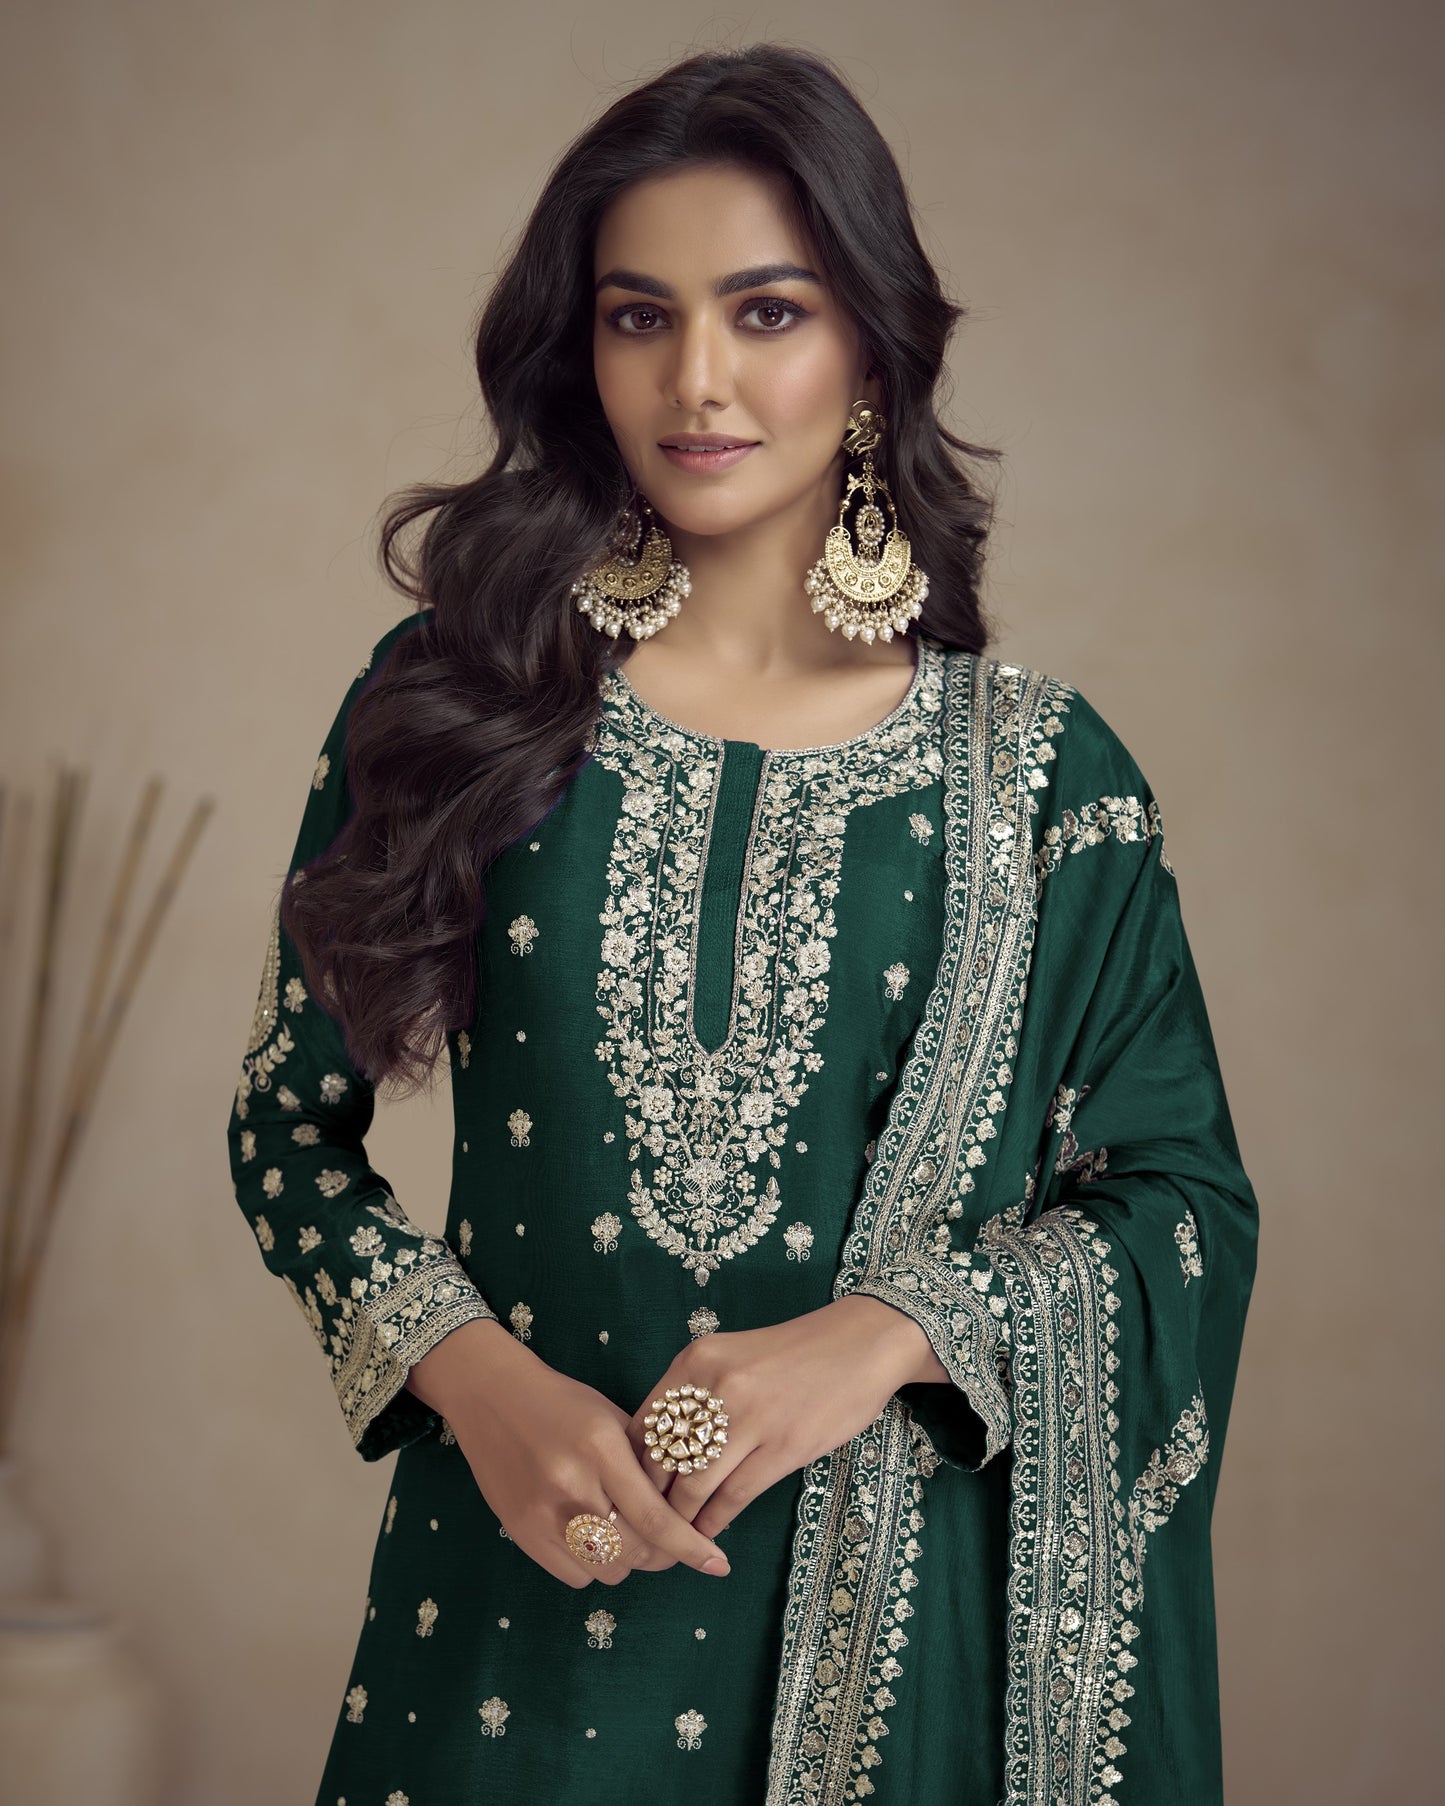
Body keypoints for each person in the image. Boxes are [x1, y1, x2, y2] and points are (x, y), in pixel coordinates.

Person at [225, 42, 1258, 1806]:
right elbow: (285, 1134)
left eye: (764, 312)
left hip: (892, 1670)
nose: (694, 380)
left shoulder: (1039, 780)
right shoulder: (459, 698)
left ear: (867, 345)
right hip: (505, 1638)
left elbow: (1179, 1204)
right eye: (640, 318)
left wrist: (875, 1340)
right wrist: (478, 1383)